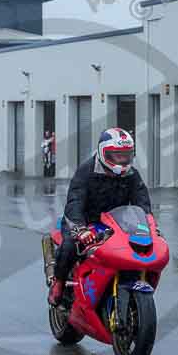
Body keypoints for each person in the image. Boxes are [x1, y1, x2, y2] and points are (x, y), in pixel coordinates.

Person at [48, 128, 153, 306]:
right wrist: (79, 229)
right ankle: (58, 283)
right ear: (104, 153)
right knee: (70, 247)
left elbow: (142, 204)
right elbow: (75, 202)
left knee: (139, 250)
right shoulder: (86, 171)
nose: (121, 160)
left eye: (126, 155)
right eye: (116, 156)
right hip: (85, 222)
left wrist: (150, 226)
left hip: (116, 224)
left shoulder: (132, 175)